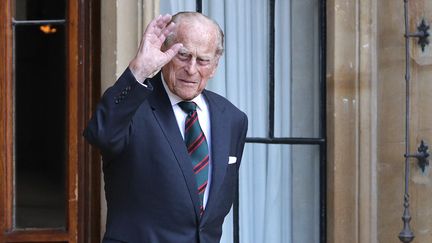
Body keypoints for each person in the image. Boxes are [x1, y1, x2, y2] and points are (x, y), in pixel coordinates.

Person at [84, 12, 248, 243]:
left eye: (202, 60)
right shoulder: (134, 105)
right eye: (183, 55)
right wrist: (139, 70)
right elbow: (101, 134)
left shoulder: (232, 118)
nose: (191, 69)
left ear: (215, 65)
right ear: (164, 52)